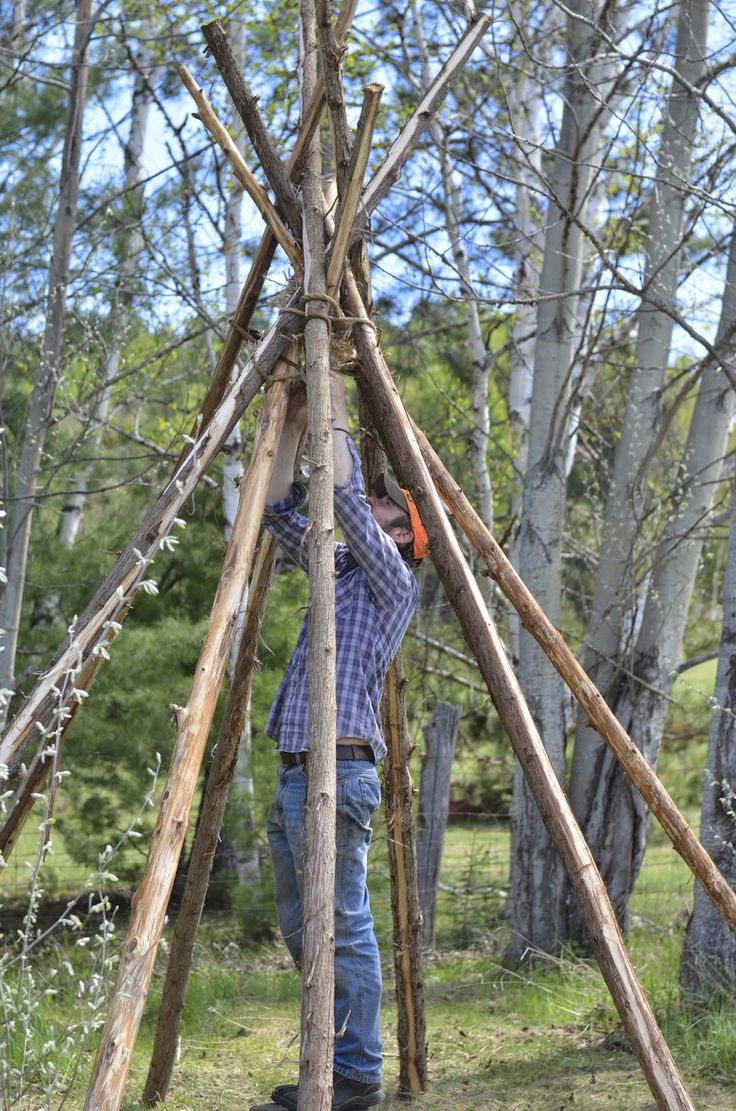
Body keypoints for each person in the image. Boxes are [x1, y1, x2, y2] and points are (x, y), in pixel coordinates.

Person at [261, 373, 428, 1111]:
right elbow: (275, 511)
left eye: (384, 504)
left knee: (344, 921)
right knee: (302, 925)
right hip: (296, 769)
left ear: (400, 534)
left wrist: (331, 400)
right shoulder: (336, 570)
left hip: (342, 767)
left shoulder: (393, 579)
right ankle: (333, 1055)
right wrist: (297, 423)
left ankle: (356, 1072)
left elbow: (349, 502)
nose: (371, 502)